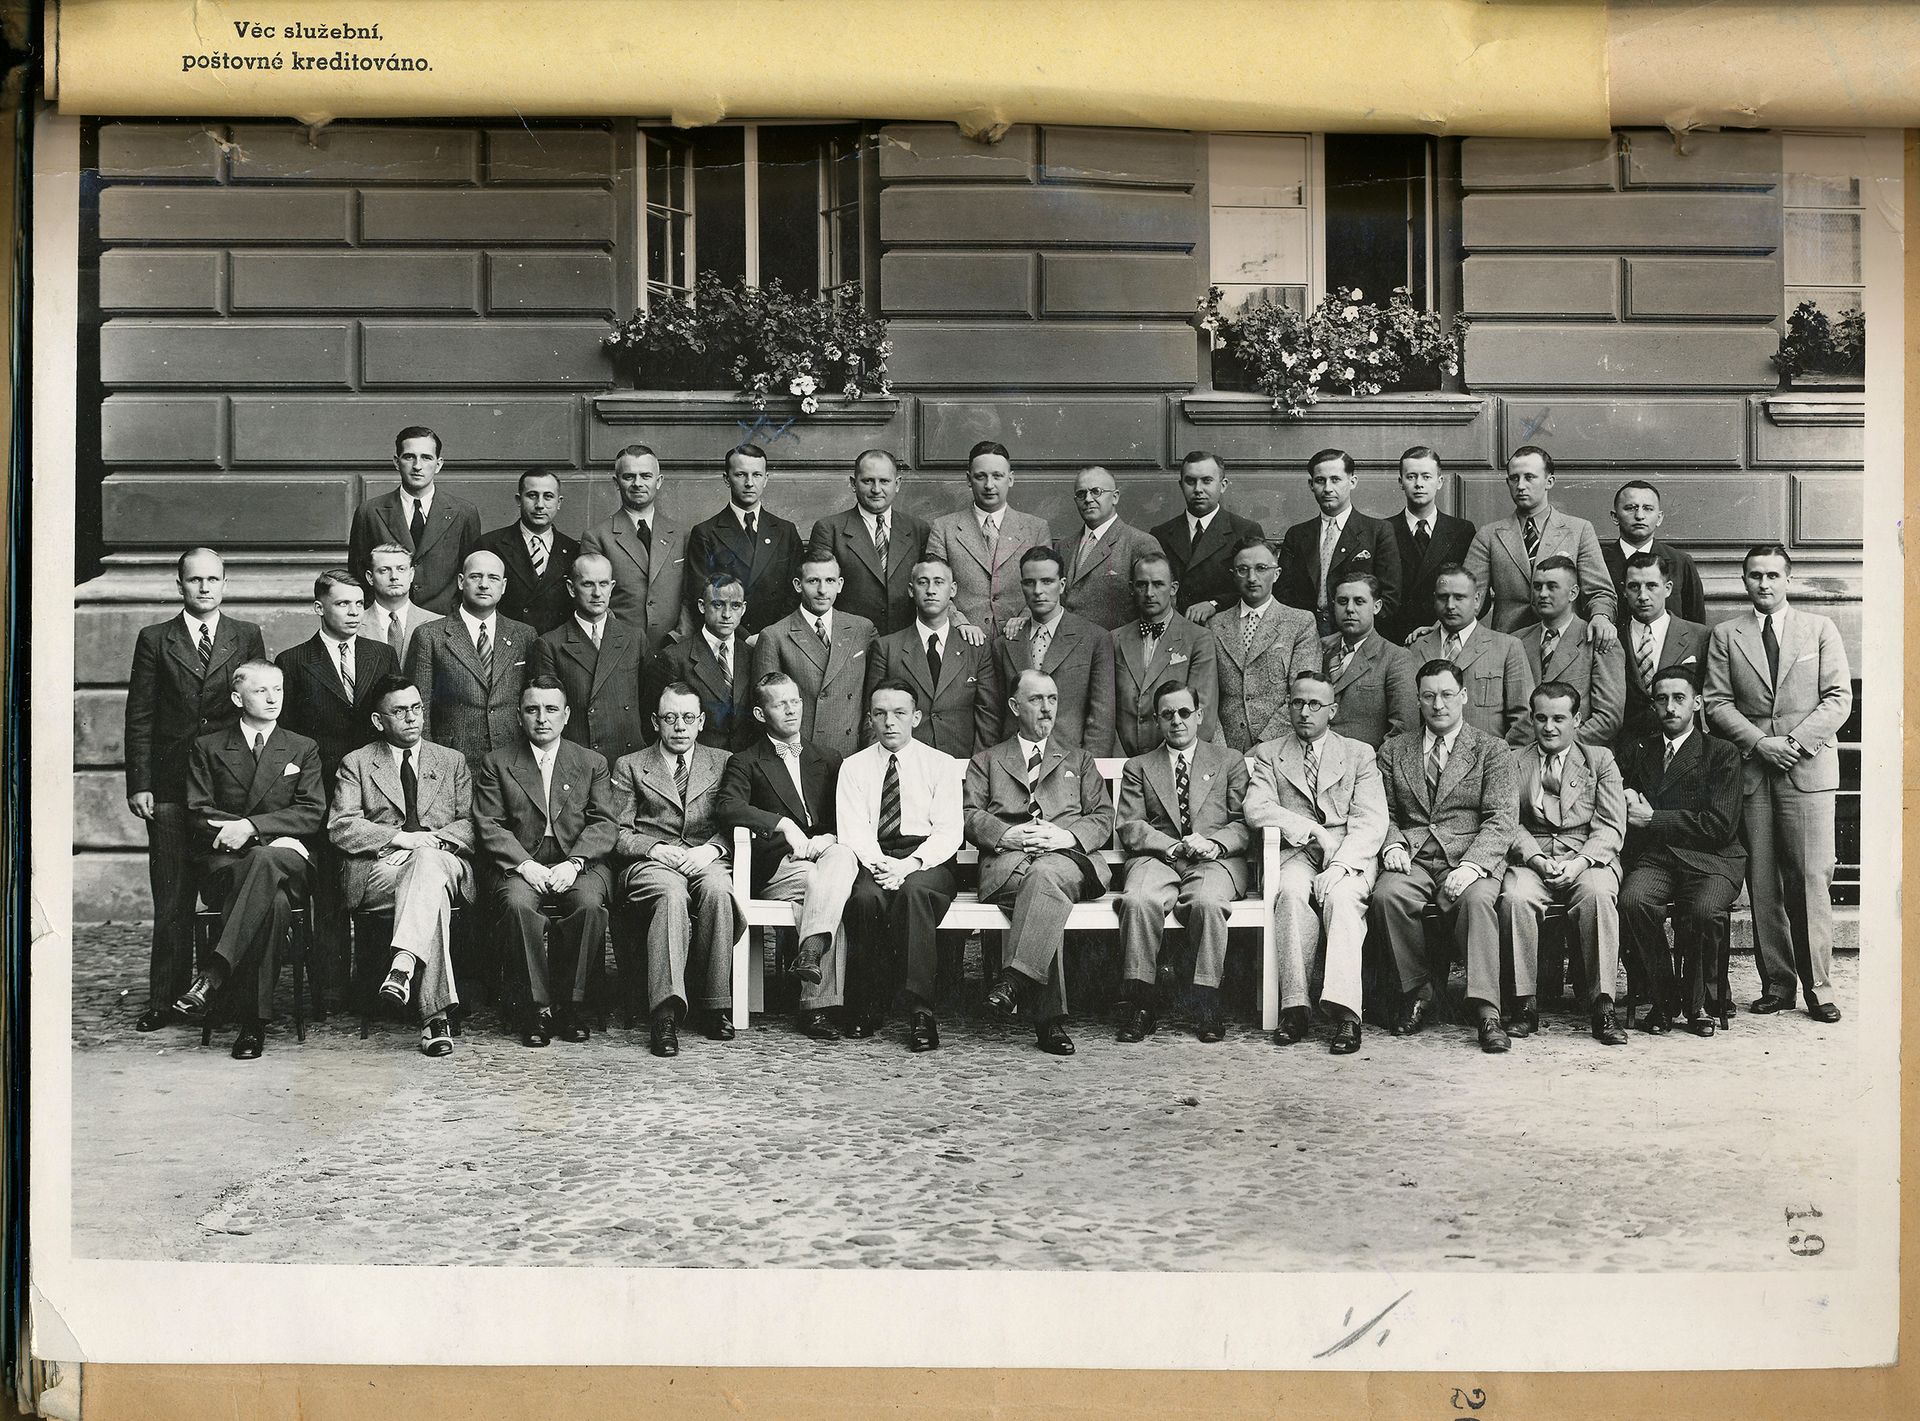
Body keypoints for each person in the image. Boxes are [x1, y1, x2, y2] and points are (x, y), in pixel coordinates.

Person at [1703, 544, 1853, 1023]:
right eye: (1754, 576)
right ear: (1744, 581)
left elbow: (1837, 697)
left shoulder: (1819, 629)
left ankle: (1820, 988)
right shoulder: (1727, 634)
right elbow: (1716, 702)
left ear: (1789, 579)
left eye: (1772, 575)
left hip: (1805, 770)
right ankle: (1779, 984)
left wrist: (1793, 741)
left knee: (1810, 879)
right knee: (1762, 882)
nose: (1763, 584)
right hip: (1752, 772)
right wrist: (1759, 743)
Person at [123, 547, 267, 1031]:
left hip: (225, 788)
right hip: (168, 787)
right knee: (172, 896)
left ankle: (225, 998)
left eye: (213, 579)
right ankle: (163, 1001)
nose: (204, 588)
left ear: (226, 583)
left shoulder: (246, 636)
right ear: (178, 585)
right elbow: (140, 715)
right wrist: (140, 783)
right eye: (194, 580)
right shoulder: (156, 639)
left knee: (232, 886)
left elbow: (256, 711)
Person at [170, 661, 326, 1060]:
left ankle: (213, 974)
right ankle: (253, 1025)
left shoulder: (301, 746)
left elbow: (311, 812)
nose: (273, 698)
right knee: (270, 902)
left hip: (288, 859)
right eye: (261, 691)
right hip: (226, 864)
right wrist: (242, 834)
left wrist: (252, 826)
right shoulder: (209, 746)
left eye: (278, 689)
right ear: (238, 698)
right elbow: (197, 811)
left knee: (265, 857)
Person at [1369, 659, 1519, 1053]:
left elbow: (1502, 818)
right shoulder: (1393, 750)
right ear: (1418, 700)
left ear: (1464, 697)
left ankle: (1487, 1010)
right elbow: (1379, 810)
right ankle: (1419, 991)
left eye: (1447, 695)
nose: (1439, 705)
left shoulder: (1492, 750)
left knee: (1480, 901)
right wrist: (1392, 843)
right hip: (1414, 855)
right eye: (1429, 696)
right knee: (1388, 896)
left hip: (1470, 855)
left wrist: (1473, 865)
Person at [967, 670, 1115, 1057]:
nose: (1046, 707)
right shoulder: (988, 760)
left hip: (1070, 861)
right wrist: (1005, 835)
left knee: (1045, 876)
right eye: (1036, 700)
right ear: (1016, 706)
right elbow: (969, 815)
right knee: (1042, 889)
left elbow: (1102, 815)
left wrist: (1066, 837)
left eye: (1052, 698)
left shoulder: (1079, 760)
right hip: (1010, 865)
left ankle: (1017, 978)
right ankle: (1046, 1020)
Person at [327, 674, 475, 1058]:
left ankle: (402, 967)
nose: (411, 718)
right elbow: (341, 825)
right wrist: (399, 839)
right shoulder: (357, 763)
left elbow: (470, 824)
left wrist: (429, 843)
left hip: (442, 860)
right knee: (432, 898)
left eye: (416, 708)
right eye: (399, 711)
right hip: (383, 871)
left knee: (428, 864)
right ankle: (435, 1020)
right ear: (379, 721)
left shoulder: (451, 761)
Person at [1244, 669, 1388, 1054]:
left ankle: (1346, 1014)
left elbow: (1371, 820)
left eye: (1314, 704)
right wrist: (1311, 830)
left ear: (1332, 710)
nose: (1305, 712)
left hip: (1348, 854)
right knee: (1289, 896)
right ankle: (1296, 1007)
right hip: (1295, 850)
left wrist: (1340, 865)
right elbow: (1257, 808)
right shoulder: (1269, 754)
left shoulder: (1359, 754)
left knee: (1342, 901)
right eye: (1297, 703)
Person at [472, 676, 619, 1048]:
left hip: (578, 860)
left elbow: (605, 822)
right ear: (519, 716)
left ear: (566, 715)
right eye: (532, 709)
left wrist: (575, 863)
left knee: (587, 904)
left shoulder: (591, 762)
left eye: (551, 709)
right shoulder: (498, 763)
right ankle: (535, 1009)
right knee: (519, 906)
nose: (542, 718)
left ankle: (572, 1007)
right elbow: (489, 823)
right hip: (520, 862)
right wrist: (525, 865)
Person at [716, 673, 862, 1041]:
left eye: (795, 700)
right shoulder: (746, 761)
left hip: (826, 858)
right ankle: (818, 1008)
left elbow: (846, 814)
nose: (791, 709)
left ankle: (812, 952)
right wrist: (782, 824)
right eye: (779, 703)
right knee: (824, 890)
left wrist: (828, 836)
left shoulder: (827, 758)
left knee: (841, 858)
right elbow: (728, 807)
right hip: (778, 869)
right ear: (761, 713)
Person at [609, 682, 743, 1057]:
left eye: (687, 718)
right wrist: (654, 848)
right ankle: (665, 1013)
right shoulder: (631, 766)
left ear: (701, 722)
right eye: (670, 718)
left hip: (705, 856)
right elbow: (616, 830)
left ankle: (716, 1005)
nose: (679, 727)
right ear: (656, 722)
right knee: (671, 895)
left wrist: (713, 849)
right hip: (650, 863)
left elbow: (736, 820)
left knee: (718, 891)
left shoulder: (723, 761)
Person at [1113, 682, 1251, 1044]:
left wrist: (1213, 843)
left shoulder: (1228, 760)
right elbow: (1130, 824)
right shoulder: (1139, 766)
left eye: (1184, 713)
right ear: (1157, 720)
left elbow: (1244, 821)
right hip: (1158, 858)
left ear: (1200, 715)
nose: (1177, 721)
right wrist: (1172, 847)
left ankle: (1206, 1000)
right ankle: (1141, 1002)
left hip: (1213, 859)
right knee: (1137, 900)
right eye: (1168, 715)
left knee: (1208, 903)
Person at [1497, 682, 1628, 1046]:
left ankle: (1603, 1005)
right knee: (1514, 896)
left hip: (1587, 857)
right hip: (1532, 856)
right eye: (1541, 718)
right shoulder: (1513, 760)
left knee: (1600, 895)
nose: (1549, 727)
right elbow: (1508, 821)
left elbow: (1612, 824)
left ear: (1577, 719)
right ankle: (1524, 1002)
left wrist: (1581, 862)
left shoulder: (1599, 760)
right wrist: (1536, 859)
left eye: (1559, 718)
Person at [1619, 666, 1747, 1035]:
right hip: (1658, 858)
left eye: (1679, 698)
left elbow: (1719, 826)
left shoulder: (1721, 752)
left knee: (1703, 910)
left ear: (1697, 702)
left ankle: (1700, 1006)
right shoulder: (1640, 750)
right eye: (1661, 699)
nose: (1670, 707)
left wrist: (1654, 818)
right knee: (1633, 901)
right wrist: (1624, 794)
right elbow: (1620, 796)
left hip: (1714, 859)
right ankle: (1663, 998)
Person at [839, 680, 965, 1052]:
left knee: (913, 894)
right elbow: (853, 829)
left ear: (916, 717)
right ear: (870, 719)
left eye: (898, 713)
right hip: (875, 855)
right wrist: (882, 866)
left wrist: (908, 866)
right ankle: (867, 1004)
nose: (889, 722)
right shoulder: (854, 767)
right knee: (863, 897)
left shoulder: (940, 764)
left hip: (928, 859)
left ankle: (920, 1010)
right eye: (880, 714)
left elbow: (948, 832)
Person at [1463, 446, 1617, 638]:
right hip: (1510, 642)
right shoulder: (1489, 535)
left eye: (1529, 477)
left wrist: (1601, 616)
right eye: (1514, 478)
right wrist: (1439, 629)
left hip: (1564, 643)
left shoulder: (1579, 530)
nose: (1520, 485)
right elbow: (1467, 596)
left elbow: (1599, 592)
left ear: (1549, 481)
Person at [404, 549, 535, 770]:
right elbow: (420, 707)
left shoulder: (525, 635)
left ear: (503, 586)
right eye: (476, 577)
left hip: (513, 760)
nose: (484, 584)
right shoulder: (430, 635)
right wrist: (429, 762)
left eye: (493, 578)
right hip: (453, 760)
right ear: (461, 582)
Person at [861, 556, 999, 759]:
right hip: (905, 767)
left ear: (952, 590)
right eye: (923, 582)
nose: (931, 590)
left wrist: (977, 769)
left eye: (938, 582)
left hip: (961, 767)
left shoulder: (975, 648)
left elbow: (988, 717)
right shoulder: (887, 647)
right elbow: (873, 718)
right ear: (911, 590)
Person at [274, 568, 400, 790]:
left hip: (377, 778)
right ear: (319, 608)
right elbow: (287, 731)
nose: (354, 612)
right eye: (343, 604)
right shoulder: (292, 661)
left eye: (359, 604)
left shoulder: (383, 654)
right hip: (319, 779)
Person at [751, 550, 878, 759]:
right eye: (813, 581)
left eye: (830, 580)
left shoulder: (862, 629)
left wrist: (869, 750)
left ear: (840, 584)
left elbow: (874, 699)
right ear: (798, 585)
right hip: (804, 756)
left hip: (853, 753)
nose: (822, 590)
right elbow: (770, 709)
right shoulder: (775, 635)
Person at [527, 550, 649, 766]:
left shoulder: (634, 637)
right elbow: (548, 715)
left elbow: (648, 704)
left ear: (612, 588)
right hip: (578, 761)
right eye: (587, 584)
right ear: (571, 589)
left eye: (603, 584)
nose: (597, 593)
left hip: (629, 759)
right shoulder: (550, 644)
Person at [922, 439, 1054, 636]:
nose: (989, 485)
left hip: (1020, 637)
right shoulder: (943, 527)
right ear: (968, 479)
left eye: (997, 476)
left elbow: (1046, 584)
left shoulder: (1036, 528)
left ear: (1010, 479)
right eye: (981, 476)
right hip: (962, 640)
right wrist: (960, 623)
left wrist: (1027, 617)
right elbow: (933, 586)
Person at [990, 547, 1115, 754]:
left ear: (1062, 585)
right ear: (1022, 586)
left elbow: (1102, 716)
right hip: (1015, 761)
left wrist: (1089, 769)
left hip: (1072, 762)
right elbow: (994, 714)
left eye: (1047, 581)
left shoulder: (1094, 638)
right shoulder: (1004, 644)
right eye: (1030, 582)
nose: (1038, 590)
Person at [347, 425, 482, 615]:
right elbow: (358, 575)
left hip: (444, 622)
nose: (417, 466)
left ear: (439, 464)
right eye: (409, 457)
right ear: (396, 462)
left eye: (426, 457)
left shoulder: (463, 512)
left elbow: (471, 574)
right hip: (388, 622)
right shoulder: (369, 512)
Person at [576, 443, 694, 655]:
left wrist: (680, 637)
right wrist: (621, 640)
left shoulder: (681, 534)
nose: (637, 483)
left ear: (659, 482)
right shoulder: (597, 536)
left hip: (675, 649)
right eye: (629, 476)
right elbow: (593, 599)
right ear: (616, 482)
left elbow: (690, 593)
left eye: (645, 476)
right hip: (619, 650)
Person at [683, 442, 804, 638]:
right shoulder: (705, 533)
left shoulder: (785, 531)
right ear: (726, 479)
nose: (749, 483)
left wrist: (772, 636)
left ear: (766, 479)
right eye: (740, 475)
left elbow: (795, 593)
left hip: (779, 638)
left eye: (756, 475)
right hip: (730, 638)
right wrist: (744, 638)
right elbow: (702, 596)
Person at [1212, 536, 1322, 752]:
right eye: (1243, 570)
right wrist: (1221, 751)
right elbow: (1206, 696)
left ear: (1276, 574)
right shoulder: (1215, 625)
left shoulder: (1300, 623)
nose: (1252, 577)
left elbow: (1303, 695)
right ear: (1233, 575)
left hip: (1281, 746)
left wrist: (1264, 746)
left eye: (1261, 568)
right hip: (1226, 748)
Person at [1277, 448, 1403, 636]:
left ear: (1352, 482)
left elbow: (1389, 597)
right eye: (1320, 480)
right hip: (1304, 637)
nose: (1328, 488)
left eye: (1335, 480)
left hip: (1357, 639)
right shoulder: (1297, 535)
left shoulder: (1377, 531)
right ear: (1311, 484)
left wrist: (1353, 634)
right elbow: (1283, 596)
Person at [805, 448, 929, 636]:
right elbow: (819, 593)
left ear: (897, 484)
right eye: (868, 481)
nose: (876, 489)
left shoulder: (918, 529)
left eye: (884, 481)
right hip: (850, 641)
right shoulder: (829, 529)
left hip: (905, 642)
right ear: (853, 483)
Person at [1508, 555, 1625, 748]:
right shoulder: (1516, 641)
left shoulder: (1597, 640)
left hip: (1579, 756)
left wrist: (1558, 745)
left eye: (1552, 587)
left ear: (1573, 593)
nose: (1542, 594)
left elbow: (1608, 717)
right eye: (1537, 587)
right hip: (1523, 758)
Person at [1404, 565, 1531, 740]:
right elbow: (1406, 716)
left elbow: (1523, 719)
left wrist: (1502, 762)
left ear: (1477, 599)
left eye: (1459, 597)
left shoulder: (1507, 647)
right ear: (1434, 599)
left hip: (1487, 762)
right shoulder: (1416, 648)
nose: (1450, 605)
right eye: (1443, 597)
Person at [1113, 552, 1219, 755]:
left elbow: (1202, 711)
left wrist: (1161, 759)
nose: (1149, 593)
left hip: (1174, 757)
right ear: (1131, 588)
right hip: (1121, 762)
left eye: (1158, 584)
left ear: (1173, 588)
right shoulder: (1114, 639)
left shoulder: (1198, 639)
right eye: (1142, 584)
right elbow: (1106, 709)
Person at [1150, 449, 1264, 622]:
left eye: (1207, 481)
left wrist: (1214, 603)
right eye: (1190, 481)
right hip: (1174, 630)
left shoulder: (1245, 530)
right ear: (1181, 485)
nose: (1198, 489)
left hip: (1224, 629)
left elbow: (1258, 586)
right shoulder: (1161, 534)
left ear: (1223, 485)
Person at [651, 573, 757, 750]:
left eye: (735, 606)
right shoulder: (675, 657)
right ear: (702, 606)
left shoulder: (751, 654)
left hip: (745, 763)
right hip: (699, 764)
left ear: (744, 609)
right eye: (718, 604)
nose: (727, 614)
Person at [1382, 446, 1475, 647]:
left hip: (1445, 634)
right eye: (1411, 477)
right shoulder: (1384, 530)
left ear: (1439, 482)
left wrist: (1440, 625)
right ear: (1400, 482)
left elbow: (1474, 589)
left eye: (1426, 477)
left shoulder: (1461, 531)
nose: (1419, 484)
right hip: (1394, 638)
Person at [475, 467, 581, 635]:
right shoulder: (490, 545)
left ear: (559, 502)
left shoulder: (574, 550)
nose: (540, 505)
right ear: (519, 500)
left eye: (548, 496)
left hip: (555, 650)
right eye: (532, 496)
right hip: (507, 645)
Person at [1056, 465, 1163, 630]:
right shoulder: (1064, 547)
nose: (1088, 499)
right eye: (1081, 494)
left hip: (1115, 649)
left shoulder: (1140, 543)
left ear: (1115, 497)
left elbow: (1158, 607)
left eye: (1096, 491)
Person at [1619, 550, 1709, 742]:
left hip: (1684, 747)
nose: (1643, 596)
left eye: (1652, 586)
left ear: (1668, 588)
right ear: (1624, 591)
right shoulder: (1612, 638)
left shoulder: (1699, 636)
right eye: (1634, 587)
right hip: (1627, 749)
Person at [1321, 572, 1417, 749]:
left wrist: (1369, 767)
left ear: (1376, 606)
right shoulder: (1323, 652)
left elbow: (1403, 729)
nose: (1350, 609)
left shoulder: (1395, 658)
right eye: (1343, 601)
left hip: (1367, 768)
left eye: (1359, 601)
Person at [1604, 479, 1705, 626]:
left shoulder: (1680, 562)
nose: (1639, 515)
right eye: (1630, 508)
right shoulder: (1598, 561)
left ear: (1659, 518)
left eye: (1648, 508)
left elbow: (1696, 626)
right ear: (1615, 517)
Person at [360, 542, 443, 664]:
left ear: (411, 574)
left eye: (401, 569)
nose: (394, 576)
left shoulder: (438, 624)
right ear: (370, 578)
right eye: (384, 570)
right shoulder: (355, 625)